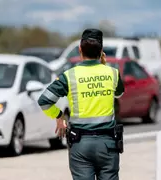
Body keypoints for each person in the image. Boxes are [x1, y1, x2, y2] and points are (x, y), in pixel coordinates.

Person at [37, 28, 125, 180]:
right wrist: (104, 66)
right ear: (101, 51)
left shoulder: (69, 76)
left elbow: (44, 101)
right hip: (108, 144)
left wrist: (59, 116)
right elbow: (119, 93)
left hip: (81, 145)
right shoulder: (112, 73)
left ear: (80, 50)